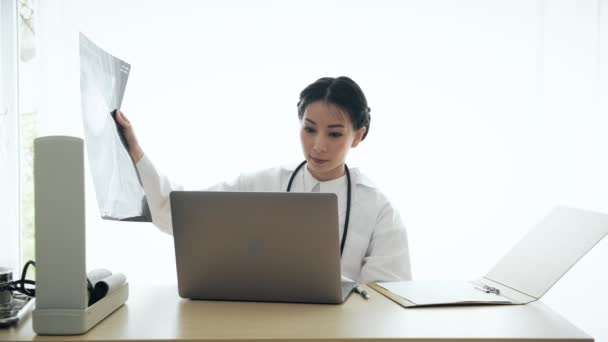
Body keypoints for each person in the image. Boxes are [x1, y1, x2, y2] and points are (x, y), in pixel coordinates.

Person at [115, 76, 412, 284]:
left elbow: (386, 299)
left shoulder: (379, 210)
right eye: (309, 129)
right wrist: (136, 151)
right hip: (259, 326)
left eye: (334, 134)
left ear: (358, 136)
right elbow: (180, 213)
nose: (318, 145)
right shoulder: (260, 185)